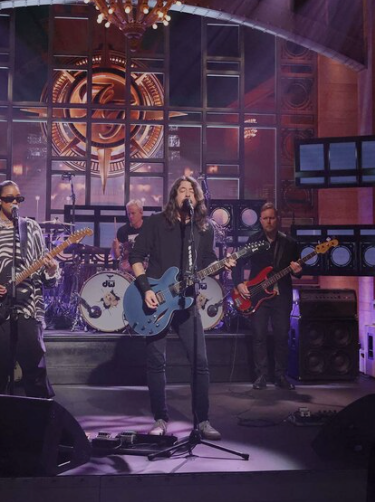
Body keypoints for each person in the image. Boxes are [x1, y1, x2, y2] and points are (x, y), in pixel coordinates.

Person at [129, 175, 235, 440]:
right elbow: (136, 257)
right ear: (174, 196)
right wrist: (146, 289)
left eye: (192, 190)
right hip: (157, 300)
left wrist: (223, 265)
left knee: (200, 362)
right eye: (182, 190)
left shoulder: (204, 229)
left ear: (197, 198)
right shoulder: (156, 223)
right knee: (156, 362)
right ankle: (160, 419)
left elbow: (208, 262)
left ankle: (202, 421)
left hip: (186, 301)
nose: (187, 193)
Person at [0, 180, 59, 397]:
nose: (15, 203)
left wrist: (52, 270)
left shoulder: (31, 229)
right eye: (9, 199)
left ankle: (40, 414)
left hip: (28, 308)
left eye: (18, 199)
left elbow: (45, 276)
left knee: (35, 369)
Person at [233, 203, 302, 390]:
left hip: (281, 296)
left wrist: (298, 271)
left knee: (282, 336)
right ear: (261, 221)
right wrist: (239, 283)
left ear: (277, 219)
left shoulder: (290, 243)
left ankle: (281, 375)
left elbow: (298, 270)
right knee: (259, 336)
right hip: (258, 296)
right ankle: (261, 376)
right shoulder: (254, 241)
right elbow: (238, 263)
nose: (268, 221)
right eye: (265, 218)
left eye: (271, 218)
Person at [111, 199, 145, 274]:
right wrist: (114, 248)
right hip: (128, 271)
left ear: (141, 212)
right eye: (128, 214)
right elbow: (115, 256)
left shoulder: (149, 228)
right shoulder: (122, 231)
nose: (130, 216)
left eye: (133, 213)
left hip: (146, 269)